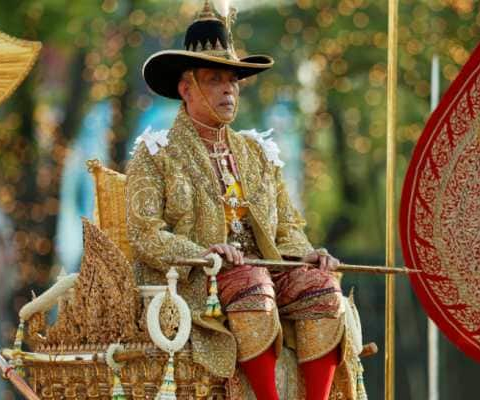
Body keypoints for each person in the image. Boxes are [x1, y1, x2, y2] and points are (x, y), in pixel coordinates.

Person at [125, 2, 364, 399]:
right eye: (216, 79)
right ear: (187, 89)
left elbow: (287, 228)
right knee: (252, 285)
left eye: (234, 80)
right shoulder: (155, 153)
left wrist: (308, 256)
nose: (229, 89)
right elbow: (145, 234)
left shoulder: (257, 152)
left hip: (264, 273)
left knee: (321, 287)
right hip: (197, 281)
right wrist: (203, 253)